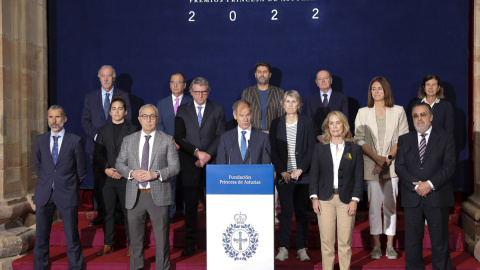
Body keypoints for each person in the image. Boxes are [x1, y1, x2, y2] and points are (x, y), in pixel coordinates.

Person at [116, 104, 180, 270]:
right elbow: (119, 164)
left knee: (161, 240)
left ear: (157, 119)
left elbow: (175, 167)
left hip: (158, 195)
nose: (149, 119)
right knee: (135, 241)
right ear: (139, 119)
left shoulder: (166, 139)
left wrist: (156, 174)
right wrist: (132, 172)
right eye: (145, 116)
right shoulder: (128, 140)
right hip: (135, 196)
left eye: (152, 116)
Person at [354, 76, 409, 259]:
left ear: (386, 90)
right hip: (371, 165)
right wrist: (376, 158)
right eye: (373, 89)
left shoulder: (398, 111)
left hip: (391, 166)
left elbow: (403, 139)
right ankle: (377, 245)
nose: (376, 92)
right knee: (374, 205)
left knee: (390, 205)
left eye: (379, 88)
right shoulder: (363, 112)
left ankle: (390, 245)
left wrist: (388, 158)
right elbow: (359, 139)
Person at [396, 103, 455, 270]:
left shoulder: (445, 138)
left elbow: (449, 166)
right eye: (415, 115)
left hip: (437, 196)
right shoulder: (404, 139)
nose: (419, 118)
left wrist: (429, 185)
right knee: (413, 243)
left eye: (423, 114)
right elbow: (399, 167)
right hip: (412, 197)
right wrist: (416, 186)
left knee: (439, 242)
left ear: (431, 117)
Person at [174, 77, 226, 256]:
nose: (200, 95)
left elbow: (220, 136)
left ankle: (218, 243)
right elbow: (179, 137)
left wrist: (207, 155)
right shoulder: (182, 110)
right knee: (190, 206)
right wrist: (197, 153)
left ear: (208, 91)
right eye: (197, 92)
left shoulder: (217, 108)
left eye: (203, 92)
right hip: (189, 160)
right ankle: (190, 244)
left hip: (212, 161)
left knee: (215, 204)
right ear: (191, 92)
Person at [33, 105, 86, 270]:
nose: (53, 121)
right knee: (41, 236)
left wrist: (70, 186)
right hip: (44, 193)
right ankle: (40, 266)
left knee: (71, 235)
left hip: (67, 193)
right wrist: (47, 181)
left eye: (57, 117)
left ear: (64, 118)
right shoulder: (40, 140)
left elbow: (81, 170)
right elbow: (38, 165)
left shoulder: (75, 140)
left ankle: (75, 266)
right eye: (50, 117)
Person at [309, 111, 364, 270]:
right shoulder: (320, 149)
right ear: (327, 127)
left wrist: (355, 200)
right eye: (331, 123)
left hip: (346, 201)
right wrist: (314, 198)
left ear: (344, 125)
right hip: (324, 200)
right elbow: (314, 175)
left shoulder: (354, 149)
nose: (334, 126)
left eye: (338, 122)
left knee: (345, 243)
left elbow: (358, 177)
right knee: (326, 243)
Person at [82, 65, 132, 226]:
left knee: (118, 179)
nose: (105, 79)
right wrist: (98, 136)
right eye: (103, 76)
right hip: (96, 147)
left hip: (118, 148)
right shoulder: (90, 97)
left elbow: (128, 118)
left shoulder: (123, 95)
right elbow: (85, 121)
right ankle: (101, 213)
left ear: (113, 78)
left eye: (109, 76)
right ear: (99, 78)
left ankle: (117, 214)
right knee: (100, 182)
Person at [270, 90, 316, 262]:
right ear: (283, 104)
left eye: (293, 101)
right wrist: (282, 171)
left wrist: (300, 169)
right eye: (287, 101)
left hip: (302, 176)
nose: (290, 104)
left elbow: (311, 148)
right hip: (284, 176)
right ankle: (283, 248)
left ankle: (302, 247)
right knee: (287, 211)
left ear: (299, 104)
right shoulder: (276, 123)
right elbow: (273, 150)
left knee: (301, 211)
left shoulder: (307, 122)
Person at [93, 95, 138, 256]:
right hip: (108, 178)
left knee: (129, 213)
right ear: (110, 112)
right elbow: (97, 154)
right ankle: (108, 243)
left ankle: (132, 244)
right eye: (114, 109)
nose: (117, 111)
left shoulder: (133, 129)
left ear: (125, 112)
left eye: (120, 108)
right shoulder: (103, 130)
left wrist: (123, 170)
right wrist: (106, 169)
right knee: (108, 212)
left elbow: (137, 155)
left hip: (127, 179)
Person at [241, 62, 284, 224]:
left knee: (272, 175)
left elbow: (282, 118)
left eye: (265, 72)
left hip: (274, 138)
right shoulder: (247, 92)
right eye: (259, 71)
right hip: (253, 137)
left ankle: (272, 212)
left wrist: (271, 132)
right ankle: (254, 210)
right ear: (255, 74)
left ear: (270, 74)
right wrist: (257, 132)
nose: (262, 74)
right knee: (254, 175)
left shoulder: (279, 93)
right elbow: (243, 115)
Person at [156, 73, 193, 222]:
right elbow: (158, 126)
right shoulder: (161, 103)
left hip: (186, 150)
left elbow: (193, 127)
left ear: (185, 85)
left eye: (179, 82)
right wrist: (171, 141)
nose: (176, 85)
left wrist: (182, 143)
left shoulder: (191, 102)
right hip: (168, 149)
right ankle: (170, 214)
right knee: (169, 183)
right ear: (170, 85)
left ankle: (188, 213)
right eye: (173, 82)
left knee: (187, 183)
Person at [216, 100, 271, 165]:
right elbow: (220, 165)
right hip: (232, 175)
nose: (245, 119)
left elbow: (266, 166)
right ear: (235, 116)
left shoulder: (263, 138)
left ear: (251, 115)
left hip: (255, 175)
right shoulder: (225, 138)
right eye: (241, 115)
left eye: (247, 115)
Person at [305, 70, 349, 142]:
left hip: (337, 139)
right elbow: (309, 123)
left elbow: (345, 119)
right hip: (318, 141)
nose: (323, 81)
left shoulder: (342, 98)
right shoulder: (310, 101)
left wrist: (335, 135)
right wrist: (317, 136)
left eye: (325, 78)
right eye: (319, 79)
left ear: (331, 80)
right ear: (317, 83)